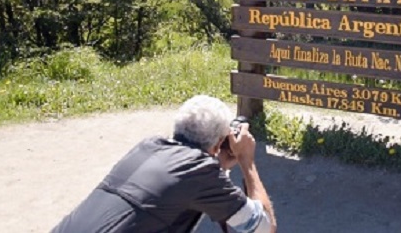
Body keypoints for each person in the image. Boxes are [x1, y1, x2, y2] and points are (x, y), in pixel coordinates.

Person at [52, 95, 276, 233]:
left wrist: (218, 164)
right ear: (219, 142)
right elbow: (265, 228)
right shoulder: (200, 174)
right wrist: (247, 160)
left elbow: (173, 188)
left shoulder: (147, 147)